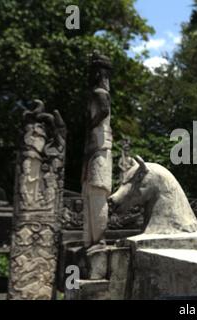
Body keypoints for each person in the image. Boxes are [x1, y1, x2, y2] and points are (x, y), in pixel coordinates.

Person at [81, 52, 113, 251]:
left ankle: (98, 240)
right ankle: (90, 240)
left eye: (96, 72)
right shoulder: (97, 93)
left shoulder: (100, 93)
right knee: (89, 191)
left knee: (97, 191)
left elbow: (104, 111)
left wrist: (91, 125)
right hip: (95, 147)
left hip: (100, 147)